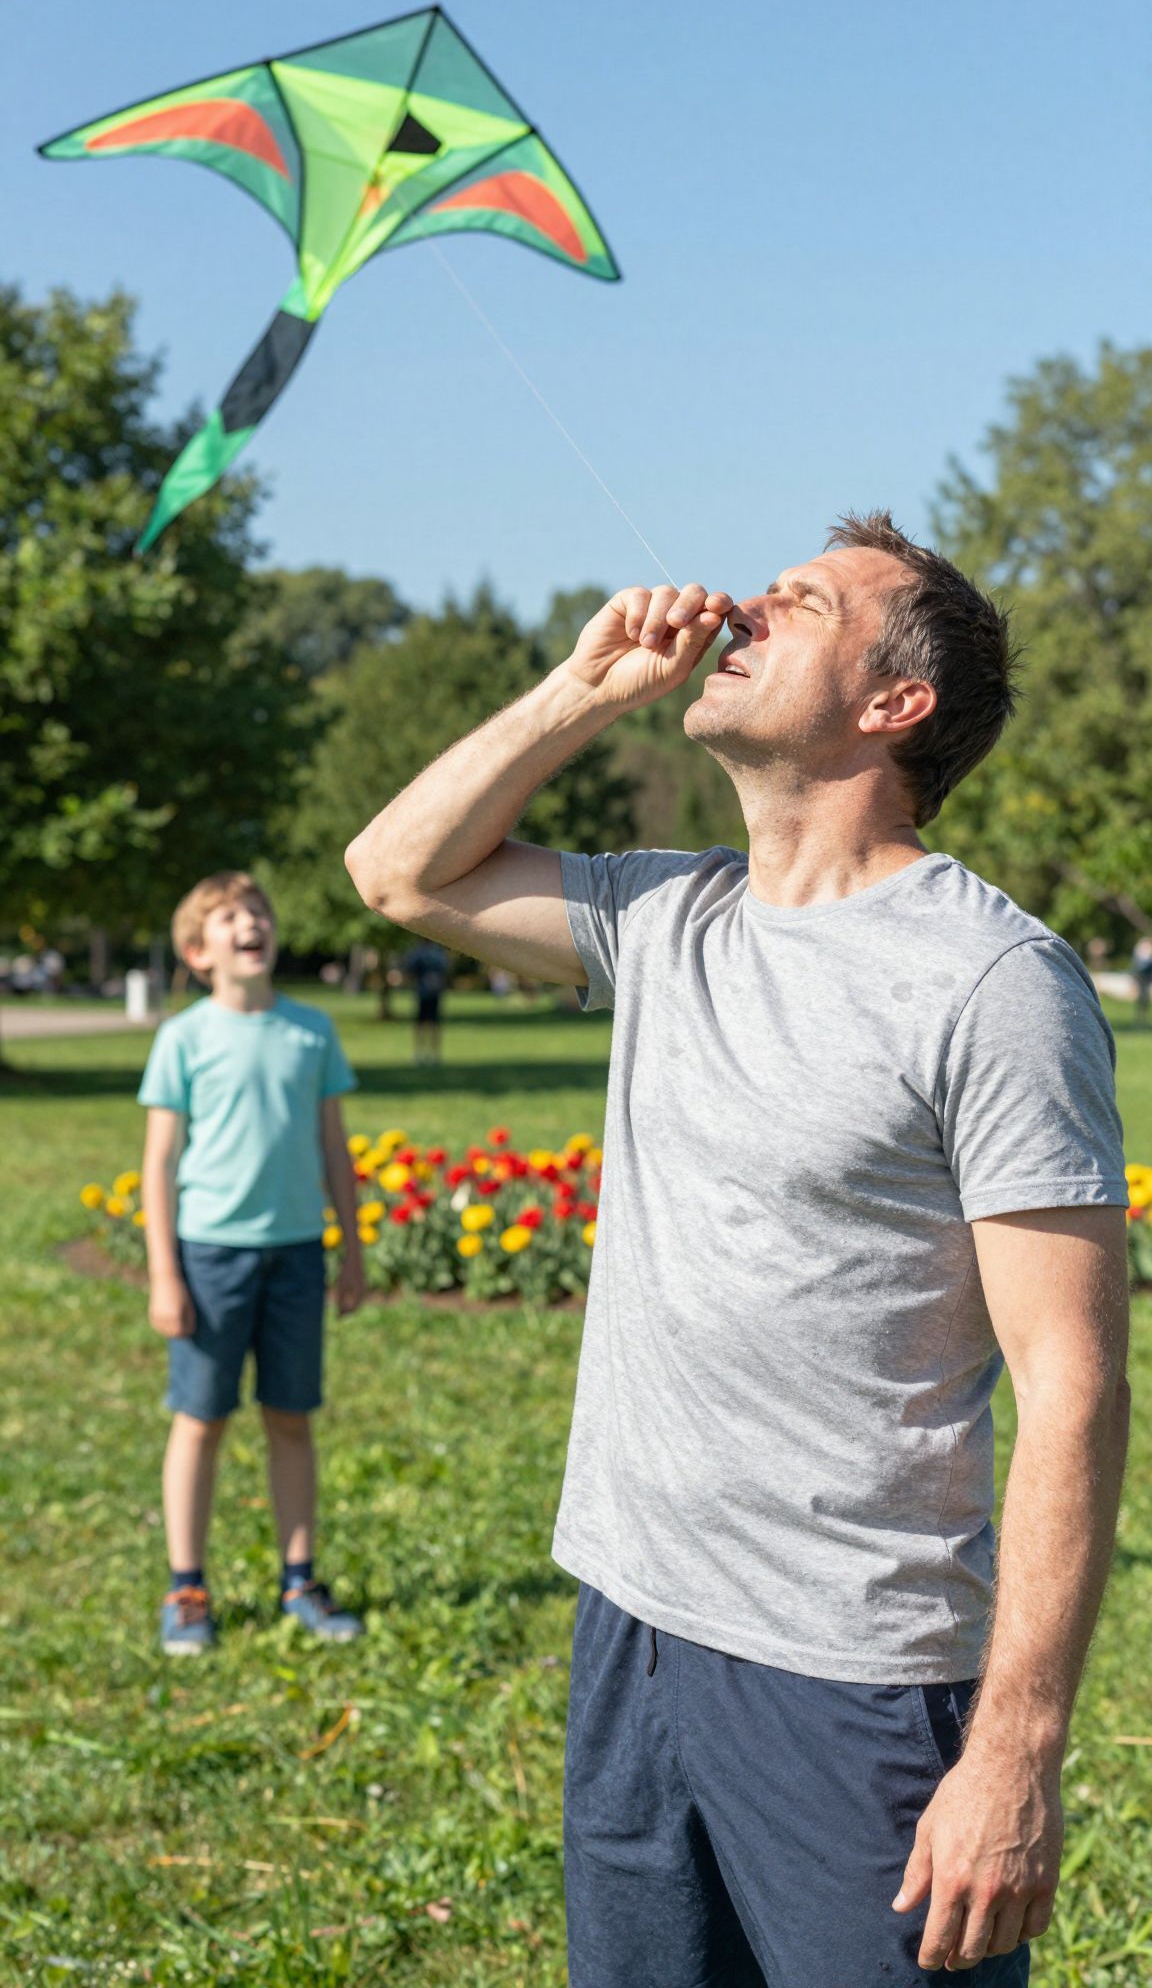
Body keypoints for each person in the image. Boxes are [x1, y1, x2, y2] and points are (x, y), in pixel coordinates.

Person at [344, 514, 1131, 1985]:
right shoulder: (663, 912)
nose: (746, 609)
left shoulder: (995, 984)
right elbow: (394, 873)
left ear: (894, 704)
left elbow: (1073, 1388)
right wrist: (581, 693)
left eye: (806, 603)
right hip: (631, 1629)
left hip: (857, 1687)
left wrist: (1015, 1755)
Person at [138, 871, 366, 1656]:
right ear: (199, 952)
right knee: (200, 1421)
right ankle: (186, 1586)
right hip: (209, 1259)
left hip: (298, 1256)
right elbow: (158, 1165)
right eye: (229, 916)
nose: (251, 923)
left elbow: (335, 1150)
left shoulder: (312, 1032)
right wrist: (165, 1274)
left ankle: (299, 1576)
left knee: (290, 1418)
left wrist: (354, 1251)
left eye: (259, 910)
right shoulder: (184, 1039)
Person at [400, 939, 450, 1064]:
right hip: (427, 993)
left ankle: (425, 1054)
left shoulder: (421, 953)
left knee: (426, 1025)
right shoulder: (437, 954)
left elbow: (409, 970)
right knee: (430, 1025)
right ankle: (428, 1054)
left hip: (426, 994)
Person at [1130, 935, 1152, 1022]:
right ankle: (1140, 1015)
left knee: (1144, 996)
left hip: (1147, 975)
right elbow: (1139, 964)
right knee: (1143, 996)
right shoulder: (1142, 949)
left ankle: (1142, 1014)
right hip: (1142, 975)